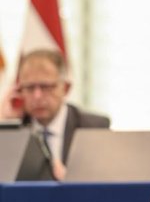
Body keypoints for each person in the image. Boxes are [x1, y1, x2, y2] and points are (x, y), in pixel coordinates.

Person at [9, 49, 110, 180]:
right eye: (29, 88)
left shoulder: (94, 128)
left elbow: (107, 185)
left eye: (46, 87)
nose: (37, 96)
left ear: (66, 88)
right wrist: (4, 124)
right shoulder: (13, 129)